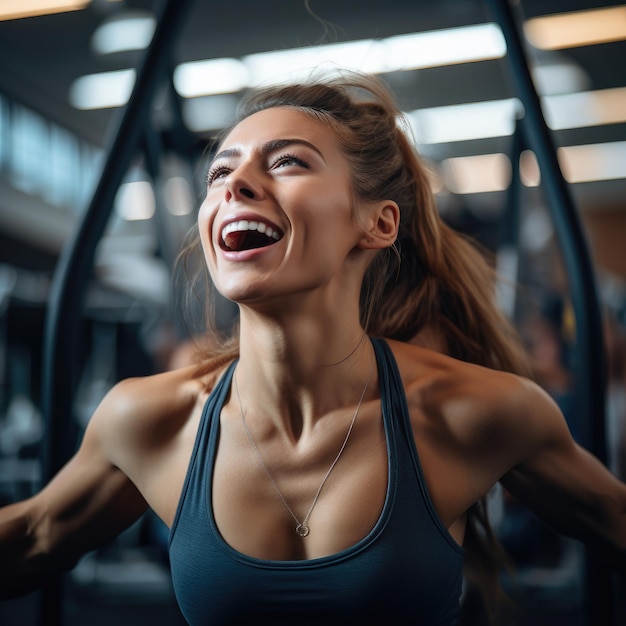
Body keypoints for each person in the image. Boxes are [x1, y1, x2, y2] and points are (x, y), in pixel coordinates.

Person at [1, 70, 625, 625]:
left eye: (287, 162)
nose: (234, 184)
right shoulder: (151, 421)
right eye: (220, 171)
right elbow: (33, 537)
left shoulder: (472, 413)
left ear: (378, 223)